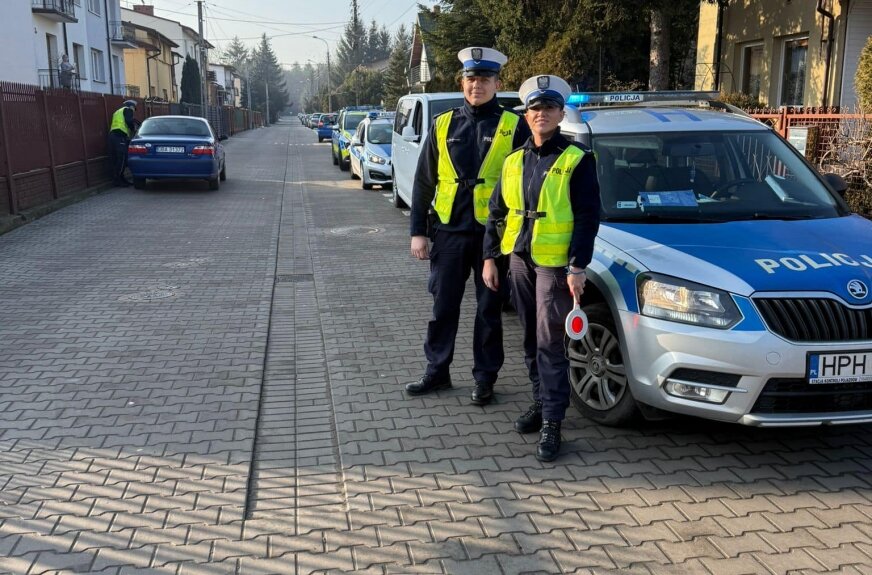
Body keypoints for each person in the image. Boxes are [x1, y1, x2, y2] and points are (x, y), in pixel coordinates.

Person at [482, 75, 601, 462]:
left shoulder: (577, 159)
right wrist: (489, 257)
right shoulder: (514, 160)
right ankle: (539, 400)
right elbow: (495, 213)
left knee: (550, 343)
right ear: (527, 114)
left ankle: (553, 419)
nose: (541, 114)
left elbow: (587, 217)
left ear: (560, 113)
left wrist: (578, 265)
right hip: (518, 260)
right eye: (535, 108)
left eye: (549, 108)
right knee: (531, 338)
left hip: (555, 266)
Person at [407, 47, 531, 405]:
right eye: (471, 79)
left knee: (489, 310)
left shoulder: (514, 125)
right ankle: (437, 371)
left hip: (493, 237)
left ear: (498, 83)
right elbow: (423, 181)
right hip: (447, 231)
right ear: (462, 82)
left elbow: (527, 181)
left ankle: (485, 377)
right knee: (443, 306)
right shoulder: (443, 123)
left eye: (485, 79)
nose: (477, 85)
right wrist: (418, 232)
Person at [108, 100, 139, 187]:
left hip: (112, 136)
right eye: (134, 108)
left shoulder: (118, 112)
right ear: (131, 106)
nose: (134, 111)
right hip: (119, 136)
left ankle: (121, 178)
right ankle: (117, 180)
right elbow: (129, 121)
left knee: (117, 158)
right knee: (122, 158)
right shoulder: (128, 110)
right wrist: (133, 129)